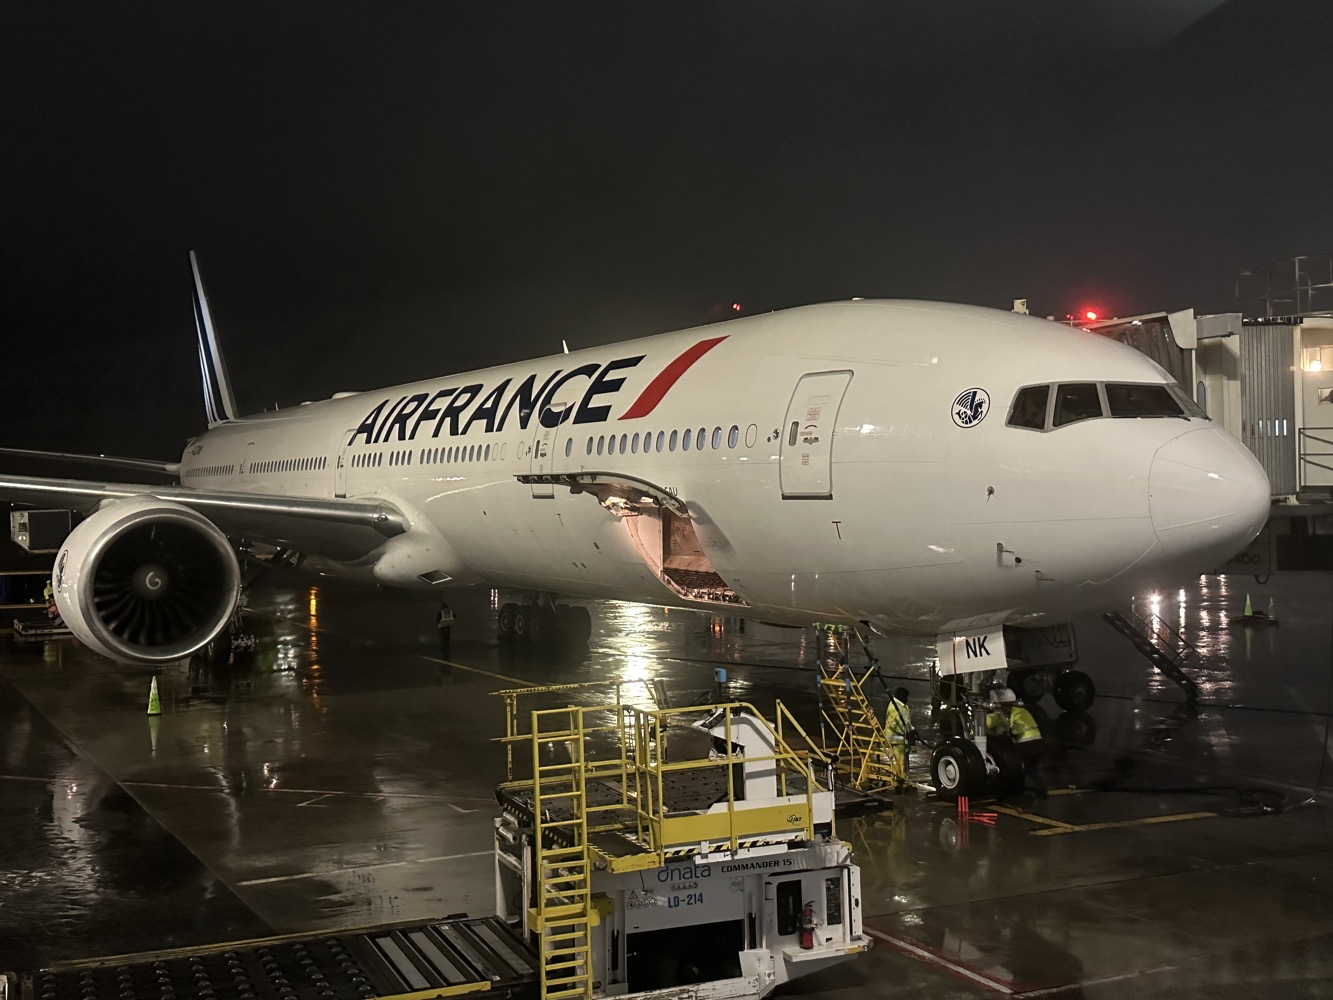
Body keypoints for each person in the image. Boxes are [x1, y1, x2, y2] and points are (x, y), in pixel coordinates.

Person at [1008, 699, 1046, 797]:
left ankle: (1020, 790)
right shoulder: (1023, 711)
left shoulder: (1013, 713)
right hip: (1038, 741)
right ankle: (1042, 791)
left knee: (1021, 768)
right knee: (1033, 769)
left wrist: (1010, 732)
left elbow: (1017, 730)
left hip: (1026, 744)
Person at [884, 687, 918, 786]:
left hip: (903, 740)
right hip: (896, 740)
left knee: (904, 761)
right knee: (899, 761)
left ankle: (904, 779)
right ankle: (897, 781)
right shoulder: (894, 707)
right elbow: (894, 725)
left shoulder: (902, 706)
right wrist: (906, 732)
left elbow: (906, 722)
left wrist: (912, 730)